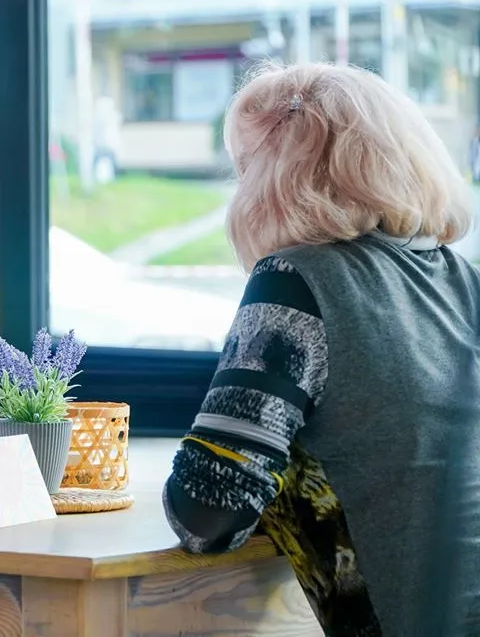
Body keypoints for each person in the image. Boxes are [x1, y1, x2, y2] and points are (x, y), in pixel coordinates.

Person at [163, 61, 480, 636]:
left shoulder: (296, 280)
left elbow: (207, 513)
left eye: (245, 166)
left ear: (282, 173)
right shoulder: (464, 281)